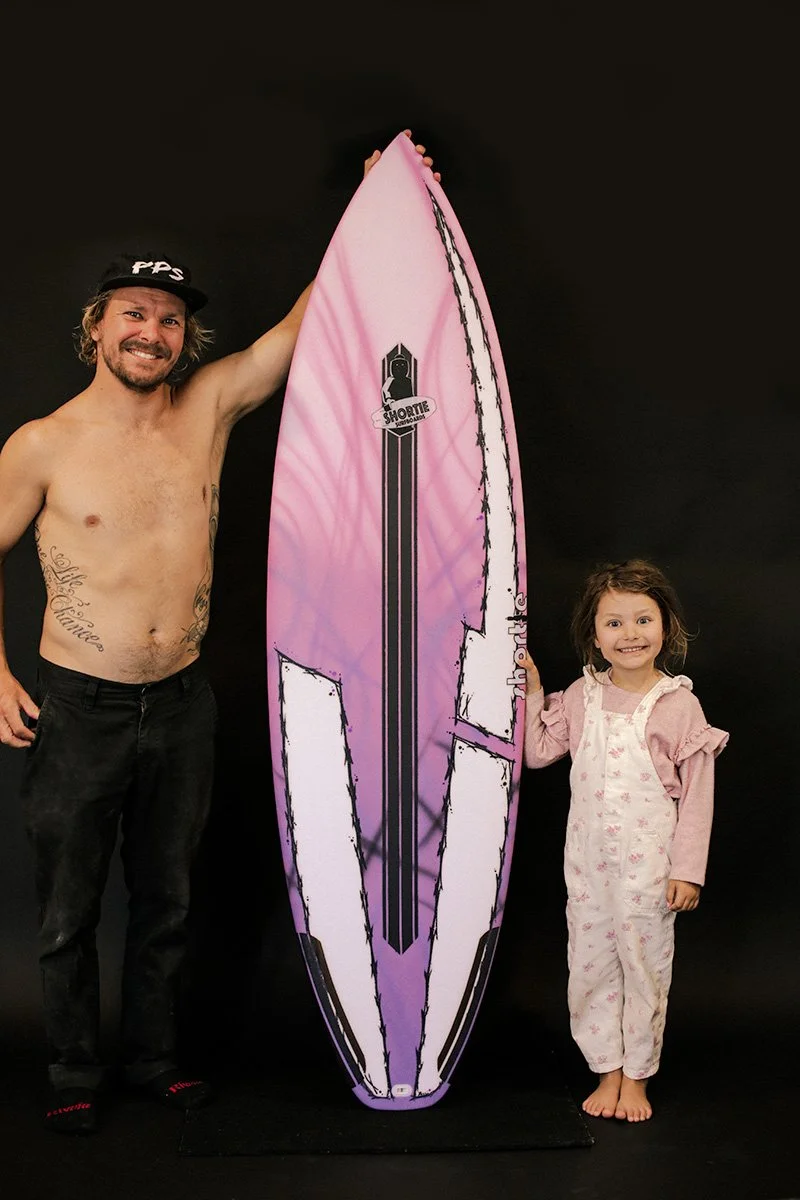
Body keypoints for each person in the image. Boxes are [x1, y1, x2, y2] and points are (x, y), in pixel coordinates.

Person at [0, 131, 439, 1135]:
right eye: (132, 314)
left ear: (182, 338)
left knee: (167, 904)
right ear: (96, 328)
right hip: (80, 707)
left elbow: (304, 326)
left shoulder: (208, 406)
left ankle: (154, 1062)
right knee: (68, 911)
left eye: (166, 318)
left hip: (183, 702)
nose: (150, 331)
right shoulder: (42, 444)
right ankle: (74, 1068)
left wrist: (372, 205)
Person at [521, 558, 728, 1123]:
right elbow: (538, 753)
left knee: (643, 968)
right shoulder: (582, 697)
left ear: (666, 627)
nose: (629, 634)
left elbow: (698, 798)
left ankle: (636, 1074)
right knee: (588, 967)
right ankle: (604, 1068)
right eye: (614, 623)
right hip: (587, 870)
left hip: (648, 874)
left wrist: (688, 870)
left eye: (642, 620)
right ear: (594, 634)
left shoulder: (678, 705)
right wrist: (535, 693)